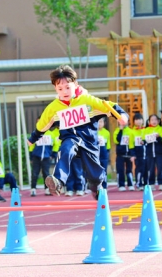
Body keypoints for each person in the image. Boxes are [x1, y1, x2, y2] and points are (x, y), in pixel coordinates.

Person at [27, 65, 129, 200]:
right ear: (55, 89)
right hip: (70, 139)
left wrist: (122, 116)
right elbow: (42, 125)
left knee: (95, 176)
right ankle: (58, 181)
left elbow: (109, 106)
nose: (64, 92)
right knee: (66, 148)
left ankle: (96, 188)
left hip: (89, 143)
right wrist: (33, 138)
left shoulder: (88, 101)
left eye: (68, 87)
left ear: (75, 84)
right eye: (60, 89)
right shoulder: (53, 108)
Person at [29, 121, 59, 197]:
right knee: (35, 173)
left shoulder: (51, 134)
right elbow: (31, 145)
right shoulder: (36, 134)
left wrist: (53, 154)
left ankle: (47, 189)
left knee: (46, 173)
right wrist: (31, 156)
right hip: (36, 156)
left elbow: (56, 144)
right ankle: (33, 189)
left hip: (46, 157)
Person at [143, 114, 162, 190]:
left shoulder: (161, 129)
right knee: (151, 169)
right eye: (152, 120)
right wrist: (143, 141)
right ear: (149, 121)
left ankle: (161, 183)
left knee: (160, 168)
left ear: (158, 121)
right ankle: (151, 183)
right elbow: (144, 140)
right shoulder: (146, 130)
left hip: (159, 152)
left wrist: (159, 137)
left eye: (155, 120)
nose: (154, 121)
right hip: (149, 153)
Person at [114, 120, 135, 191]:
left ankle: (130, 184)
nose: (122, 123)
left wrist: (132, 154)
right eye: (121, 122)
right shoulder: (116, 131)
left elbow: (131, 144)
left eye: (124, 122)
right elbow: (117, 140)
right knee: (120, 170)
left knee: (129, 170)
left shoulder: (131, 131)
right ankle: (121, 185)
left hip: (128, 154)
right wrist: (120, 131)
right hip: (120, 155)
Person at [132, 113, 146, 190]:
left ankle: (146, 183)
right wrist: (133, 154)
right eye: (136, 120)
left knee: (146, 168)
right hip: (138, 154)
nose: (138, 121)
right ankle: (138, 183)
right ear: (134, 121)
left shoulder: (146, 130)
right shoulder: (132, 132)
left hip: (146, 153)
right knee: (139, 168)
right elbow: (131, 144)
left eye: (140, 119)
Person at [97, 117, 111, 189]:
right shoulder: (93, 132)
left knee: (104, 170)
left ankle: (104, 185)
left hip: (104, 153)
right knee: (95, 170)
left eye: (101, 122)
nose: (99, 124)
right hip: (95, 154)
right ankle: (96, 186)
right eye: (98, 121)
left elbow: (108, 145)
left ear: (104, 123)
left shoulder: (107, 132)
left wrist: (107, 153)